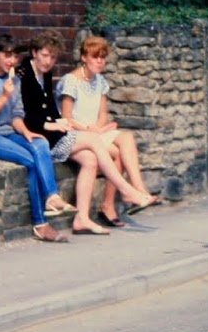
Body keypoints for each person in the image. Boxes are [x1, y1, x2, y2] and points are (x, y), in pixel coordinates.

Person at [20, 32, 153, 236]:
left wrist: (58, 121)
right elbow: (24, 114)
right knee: (94, 141)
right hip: (42, 139)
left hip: (56, 133)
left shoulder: (44, 72)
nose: (49, 61)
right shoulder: (24, 74)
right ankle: (126, 190)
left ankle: (81, 218)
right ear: (34, 53)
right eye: (45, 55)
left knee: (90, 159)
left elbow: (49, 110)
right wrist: (52, 125)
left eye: (53, 57)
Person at [0, 33, 74, 244]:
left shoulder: (14, 78)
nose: (12, 61)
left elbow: (16, 115)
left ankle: (52, 197)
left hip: (10, 132)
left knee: (40, 142)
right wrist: (4, 96)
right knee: (30, 161)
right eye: (7, 56)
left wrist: (27, 132)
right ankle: (41, 224)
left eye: (15, 56)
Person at [57, 36, 160, 227]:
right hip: (75, 134)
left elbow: (103, 114)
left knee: (127, 137)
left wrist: (99, 127)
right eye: (95, 57)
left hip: (95, 132)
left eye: (103, 58)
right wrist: (90, 130)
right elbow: (66, 118)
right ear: (84, 57)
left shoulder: (101, 81)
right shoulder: (71, 81)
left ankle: (137, 188)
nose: (100, 61)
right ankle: (114, 202)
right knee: (118, 153)